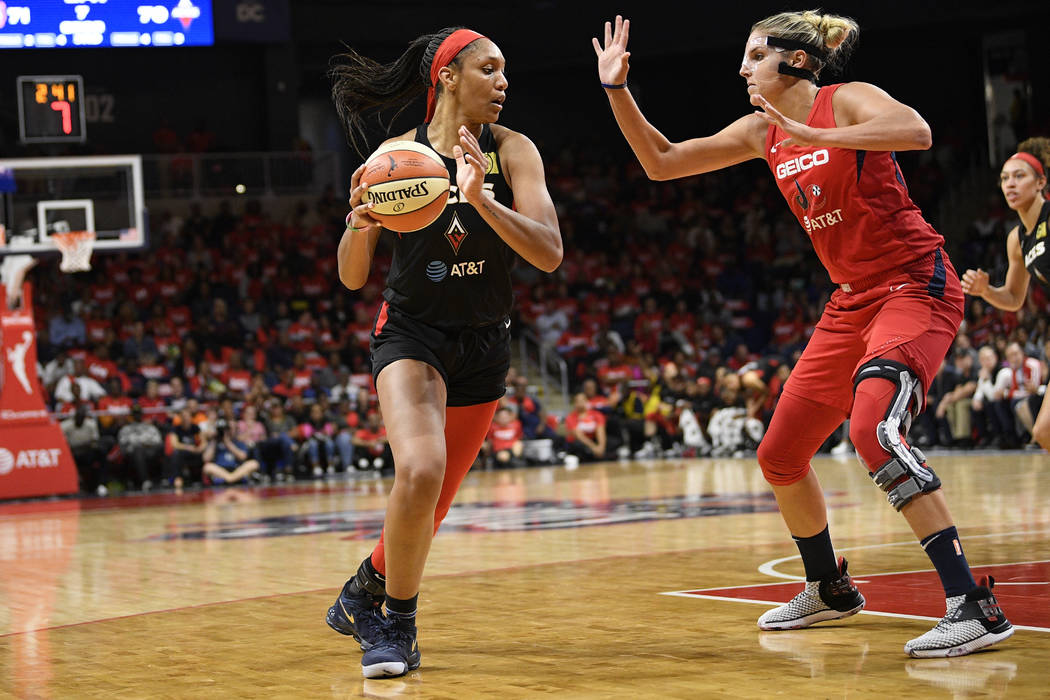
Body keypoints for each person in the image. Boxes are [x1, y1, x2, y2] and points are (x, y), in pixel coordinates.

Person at [594, 11, 1012, 657]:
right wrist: (618, 89)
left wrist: (810, 127)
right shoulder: (761, 130)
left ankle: (972, 606)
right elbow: (662, 162)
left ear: (794, 61)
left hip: (912, 283)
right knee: (780, 454)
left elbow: (916, 130)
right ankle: (828, 587)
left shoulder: (843, 100)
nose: (742, 68)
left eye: (754, 55)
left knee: (872, 430)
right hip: (850, 301)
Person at [324, 26, 562, 678]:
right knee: (421, 471)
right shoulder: (395, 157)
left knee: (435, 503)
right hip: (411, 334)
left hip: (485, 342)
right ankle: (395, 624)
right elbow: (351, 276)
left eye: (506, 70)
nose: (504, 81)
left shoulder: (513, 151)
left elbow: (548, 252)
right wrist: (357, 224)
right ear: (448, 76)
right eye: (490, 69)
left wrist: (482, 200)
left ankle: (361, 591)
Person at [961, 137, 1050, 449]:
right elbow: (1013, 299)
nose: (1010, 184)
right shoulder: (1017, 239)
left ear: (1041, 182)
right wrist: (986, 291)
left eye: (1019, 176)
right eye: (1004, 178)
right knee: (1045, 431)